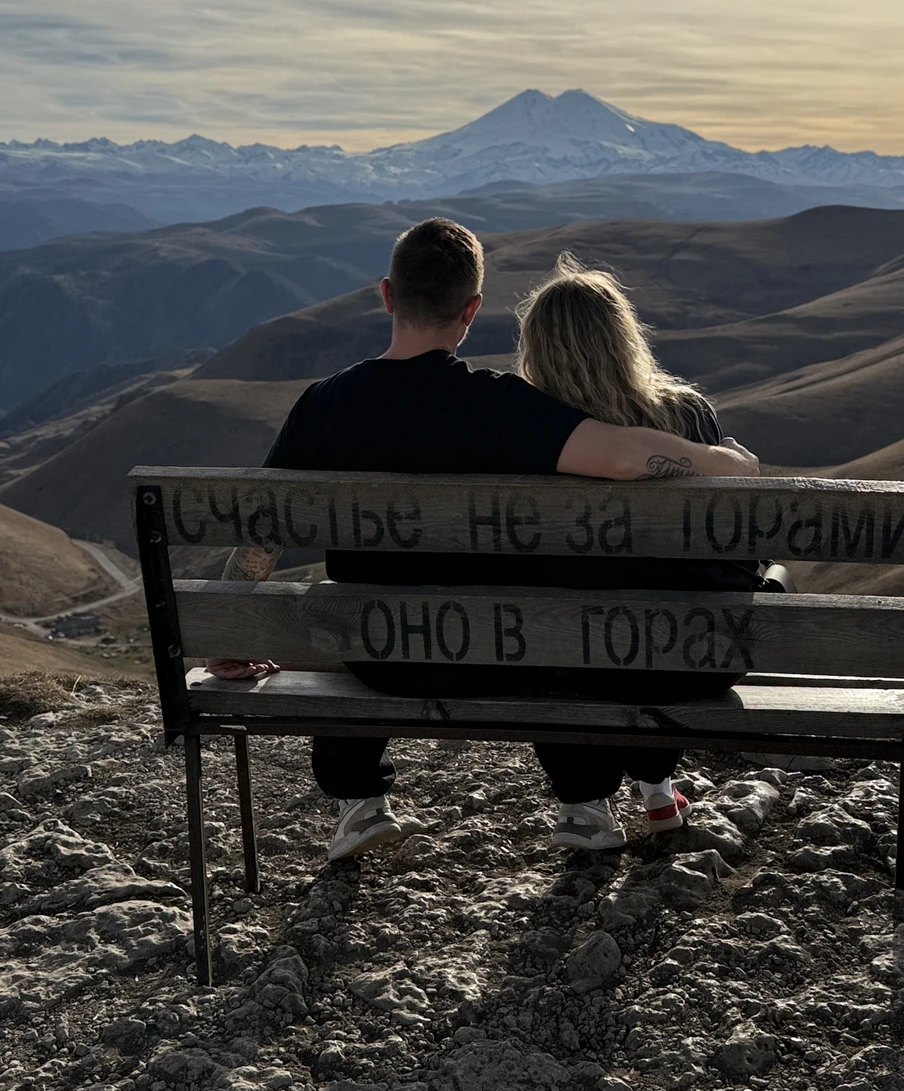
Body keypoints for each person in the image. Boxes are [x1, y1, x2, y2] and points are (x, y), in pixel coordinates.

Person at [207, 218, 760, 862]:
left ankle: (358, 805)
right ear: (471, 310)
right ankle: (621, 792)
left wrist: (227, 629)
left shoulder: (320, 405)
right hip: (487, 646)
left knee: (337, 602)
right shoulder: (498, 405)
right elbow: (623, 457)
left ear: (387, 295)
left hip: (373, 649)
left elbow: (264, 531)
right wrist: (729, 463)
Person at [514, 253, 775, 849]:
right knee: (684, 604)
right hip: (691, 658)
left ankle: (585, 806)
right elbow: (735, 545)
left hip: (560, 653)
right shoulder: (688, 415)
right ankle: (657, 789)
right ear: (625, 335)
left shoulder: (524, 429)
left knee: (557, 629)